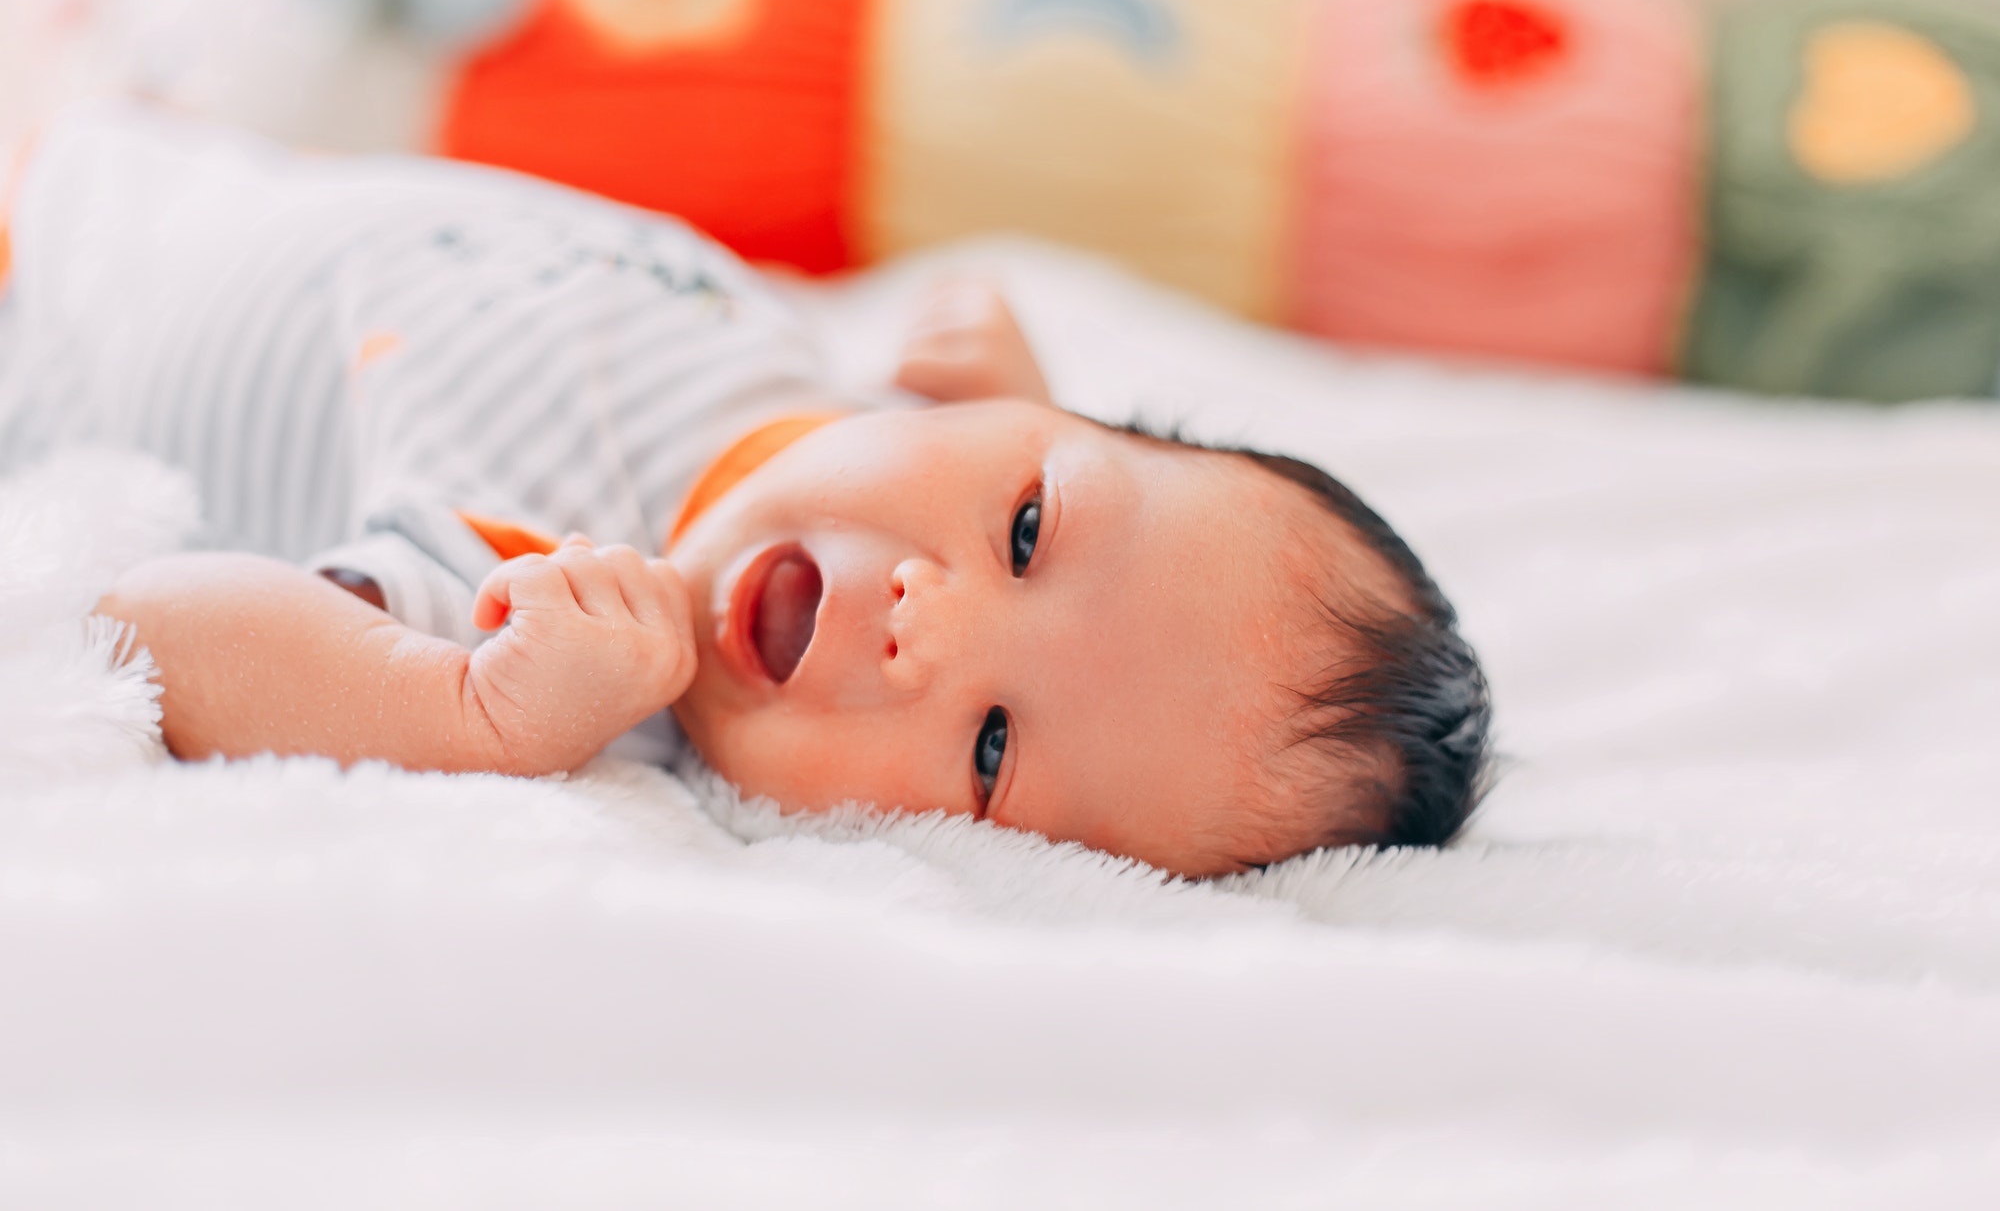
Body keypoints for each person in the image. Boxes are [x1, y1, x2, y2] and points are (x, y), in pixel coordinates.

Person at [1, 104, 1490, 877]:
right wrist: (987, 401)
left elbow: (153, 628)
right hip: (147, 178)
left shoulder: (561, 609)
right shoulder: (866, 419)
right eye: (1031, 529)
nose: (926, 622)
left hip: (48, 329)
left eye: (988, 747)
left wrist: (469, 712)